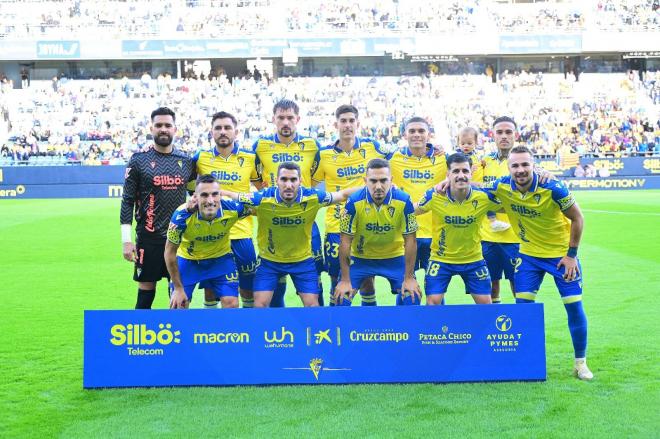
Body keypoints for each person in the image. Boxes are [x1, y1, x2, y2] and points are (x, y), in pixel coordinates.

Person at [486, 145, 592, 380]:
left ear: (534, 165)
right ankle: (522, 361)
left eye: (525, 164)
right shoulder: (501, 186)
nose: (520, 170)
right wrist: (446, 185)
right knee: (523, 309)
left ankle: (580, 363)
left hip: (561, 256)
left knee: (573, 306)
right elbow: (476, 193)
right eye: (515, 165)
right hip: (528, 256)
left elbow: (578, 218)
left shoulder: (552, 186)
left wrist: (571, 255)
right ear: (508, 167)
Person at [222, 162, 358, 307]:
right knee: (260, 305)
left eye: (293, 180)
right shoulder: (262, 198)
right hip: (269, 261)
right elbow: (231, 195)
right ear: (277, 181)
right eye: (284, 179)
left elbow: (342, 195)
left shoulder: (313, 197)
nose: (288, 184)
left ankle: (313, 330)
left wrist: (371, 188)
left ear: (300, 181)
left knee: (313, 306)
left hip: (302, 261)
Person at [312, 104, 389, 306]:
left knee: (366, 280)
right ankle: (335, 326)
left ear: (358, 123)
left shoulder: (373, 147)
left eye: (351, 121)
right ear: (335, 124)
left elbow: (399, 158)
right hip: (337, 226)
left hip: (367, 225)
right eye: (343, 121)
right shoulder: (323, 155)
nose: (347, 125)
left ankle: (367, 328)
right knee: (336, 280)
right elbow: (309, 185)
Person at [120, 107, 194, 309]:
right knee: (145, 294)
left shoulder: (187, 161)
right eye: (159, 125)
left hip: (180, 238)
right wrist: (126, 241)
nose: (163, 129)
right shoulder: (138, 160)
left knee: (179, 295)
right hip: (148, 238)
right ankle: (141, 337)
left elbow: (196, 195)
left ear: (175, 129)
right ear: (151, 128)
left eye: (168, 125)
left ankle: (179, 338)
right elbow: (127, 201)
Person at [251, 99, 324, 306]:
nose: (285, 122)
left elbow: (315, 178)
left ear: (297, 119)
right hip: (274, 220)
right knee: (275, 279)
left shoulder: (311, 145)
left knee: (315, 278)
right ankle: (277, 330)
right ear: (273, 119)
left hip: (305, 220)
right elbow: (257, 180)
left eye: (290, 117)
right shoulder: (261, 146)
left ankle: (318, 327)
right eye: (281, 118)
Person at [191, 111, 260, 308]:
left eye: (227, 128)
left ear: (236, 132)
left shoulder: (249, 158)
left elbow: (262, 190)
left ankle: (245, 329)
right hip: (211, 234)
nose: (223, 132)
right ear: (211, 132)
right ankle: (214, 332)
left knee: (247, 286)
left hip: (241, 233)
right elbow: (190, 191)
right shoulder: (200, 158)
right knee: (211, 289)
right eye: (218, 128)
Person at [335, 158, 421, 306]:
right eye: (373, 181)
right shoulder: (353, 203)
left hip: (394, 257)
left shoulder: (404, 201)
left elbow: (411, 240)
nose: (378, 186)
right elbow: (344, 241)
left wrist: (408, 278)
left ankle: (402, 326)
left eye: (383, 180)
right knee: (342, 298)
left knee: (412, 297)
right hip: (361, 258)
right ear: (365, 180)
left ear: (391, 180)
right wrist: (344, 280)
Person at [416, 153, 498, 305]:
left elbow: (512, 206)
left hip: (473, 260)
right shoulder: (434, 196)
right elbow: (411, 211)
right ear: (448, 174)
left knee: (486, 305)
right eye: (456, 171)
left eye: (465, 171)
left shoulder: (483, 198)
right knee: (432, 303)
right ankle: (433, 329)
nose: (461, 175)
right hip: (441, 259)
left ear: (470, 173)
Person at [165, 175, 248, 309]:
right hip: (189, 261)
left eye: (215, 194)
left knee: (232, 305)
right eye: (204, 195)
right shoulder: (181, 216)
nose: (210, 201)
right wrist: (178, 289)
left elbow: (259, 208)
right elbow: (169, 252)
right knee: (178, 306)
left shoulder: (234, 208)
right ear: (195, 197)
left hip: (221, 260)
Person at [388, 117, 447, 280]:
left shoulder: (443, 159)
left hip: (435, 234)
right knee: (405, 286)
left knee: (435, 290)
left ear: (429, 134)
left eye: (421, 131)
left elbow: (466, 169)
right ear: (404, 134)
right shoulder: (394, 159)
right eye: (412, 131)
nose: (416, 135)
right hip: (405, 234)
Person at [474, 117, 521, 303]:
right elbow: (475, 189)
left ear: (515, 135)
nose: (504, 136)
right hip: (487, 236)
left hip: (515, 236)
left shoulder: (522, 163)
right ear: (493, 135)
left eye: (508, 132)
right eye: (499, 132)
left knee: (518, 284)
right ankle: (495, 328)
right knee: (490, 286)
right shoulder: (484, 162)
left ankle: (521, 325)